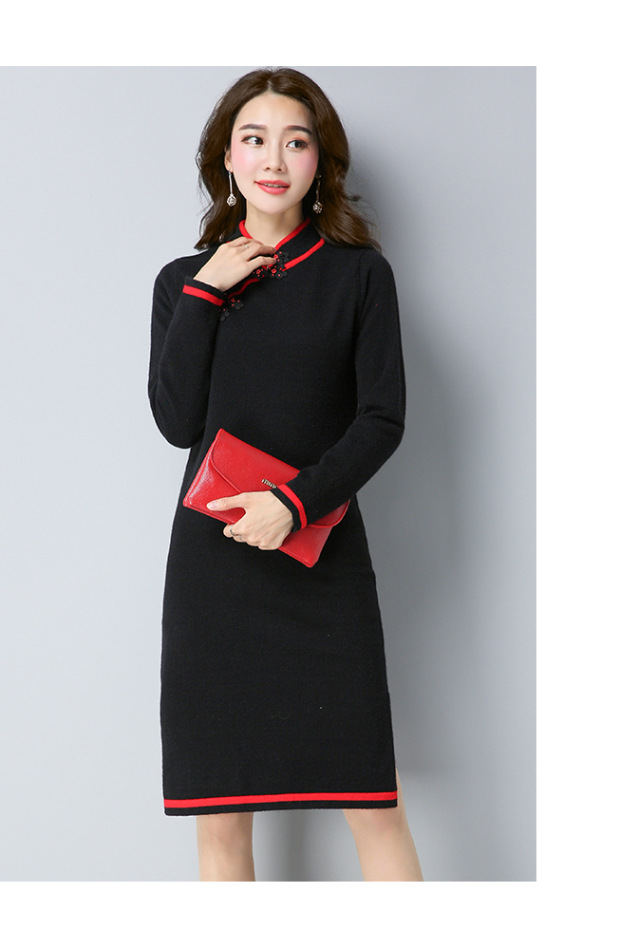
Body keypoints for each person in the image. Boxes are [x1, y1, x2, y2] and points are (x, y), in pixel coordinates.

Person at [148, 68, 423, 882]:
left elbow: (383, 419)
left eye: (295, 142)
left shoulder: (359, 275)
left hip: (321, 563)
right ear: (226, 159)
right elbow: (175, 422)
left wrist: (293, 503)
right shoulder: (180, 282)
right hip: (215, 576)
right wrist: (206, 293)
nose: (274, 159)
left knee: (374, 807)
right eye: (255, 139)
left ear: (320, 162)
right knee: (219, 824)